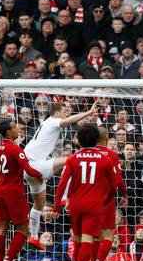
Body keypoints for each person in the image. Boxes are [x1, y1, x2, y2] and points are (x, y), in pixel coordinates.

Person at [24, 101, 98, 249]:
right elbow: (68, 121)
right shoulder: (52, 121)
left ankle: (33, 237)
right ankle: (70, 196)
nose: (67, 113)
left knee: (38, 205)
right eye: (65, 110)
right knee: (73, 159)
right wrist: (89, 113)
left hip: (31, 166)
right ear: (57, 112)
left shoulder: (47, 124)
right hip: (34, 165)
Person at [54, 123, 117, 261]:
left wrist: (56, 206)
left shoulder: (73, 158)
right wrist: (106, 200)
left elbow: (62, 183)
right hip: (93, 205)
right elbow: (113, 185)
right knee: (88, 239)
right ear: (97, 139)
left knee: (77, 239)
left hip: (75, 204)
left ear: (78, 141)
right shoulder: (106, 159)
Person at [0, 120, 43, 261]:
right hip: (14, 192)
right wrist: (40, 175)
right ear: (8, 132)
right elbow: (28, 169)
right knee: (23, 229)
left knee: (2, 227)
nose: (18, 129)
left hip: (1, 190)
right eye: (14, 127)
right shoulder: (15, 148)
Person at [88, 127, 128, 261]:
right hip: (106, 200)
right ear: (106, 138)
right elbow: (118, 179)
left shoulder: (86, 154)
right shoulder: (111, 155)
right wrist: (124, 194)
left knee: (94, 236)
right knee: (108, 235)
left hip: (88, 199)